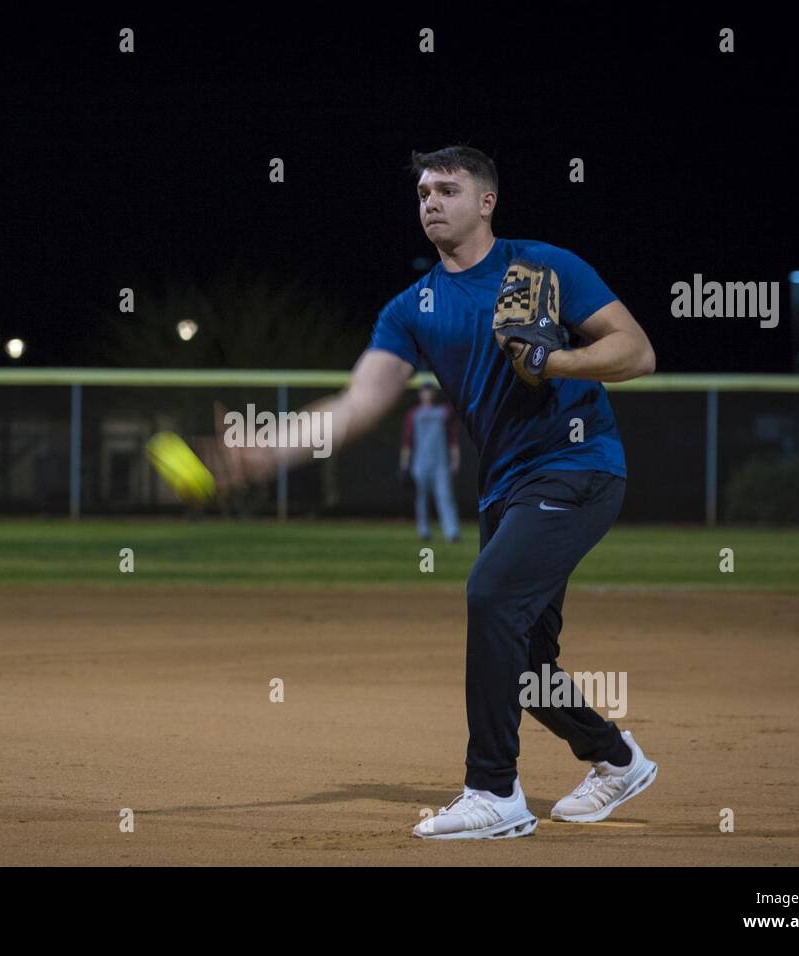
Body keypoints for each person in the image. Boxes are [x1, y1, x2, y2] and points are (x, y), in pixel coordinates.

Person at [211, 145, 658, 841]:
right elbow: (359, 403)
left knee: (490, 596)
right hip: (507, 487)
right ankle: (615, 757)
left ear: (486, 202)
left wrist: (554, 359)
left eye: (448, 189)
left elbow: (636, 350)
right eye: (423, 192)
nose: (430, 202)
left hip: (580, 465)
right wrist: (270, 448)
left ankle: (494, 791)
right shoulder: (411, 308)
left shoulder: (539, 267)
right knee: (527, 660)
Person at [399, 384, 461, 543]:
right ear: (420, 394)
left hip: (440, 463)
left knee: (445, 497)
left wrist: (455, 459)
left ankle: (451, 532)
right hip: (420, 463)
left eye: (430, 390)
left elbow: (452, 437)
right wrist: (404, 464)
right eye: (425, 390)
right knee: (421, 500)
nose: (427, 394)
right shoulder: (413, 415)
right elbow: (407, 441)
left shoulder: (444, 412)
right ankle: (424, 531)